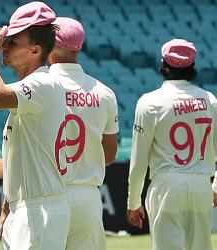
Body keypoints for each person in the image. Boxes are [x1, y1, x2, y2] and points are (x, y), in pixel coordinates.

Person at [0, 2, 70, 249]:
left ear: (35, 50)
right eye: (5, 41)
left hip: (38, 212)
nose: (4, 46)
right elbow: (30, 167)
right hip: (31, 208)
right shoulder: (38, 90)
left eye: (13, 42)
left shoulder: (43, 84)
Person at [126, 39, 216, 250]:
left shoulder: (150, 102)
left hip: (167, 186)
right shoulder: (209, 99)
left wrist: (133, 203)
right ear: (192, 67)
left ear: (163, 65)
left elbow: (139, 159)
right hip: (201, 185)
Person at [47, 17, 119, 250]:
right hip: (87, 197)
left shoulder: (36, 86)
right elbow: (108, 156)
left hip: (46, 194)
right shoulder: (104, 92)